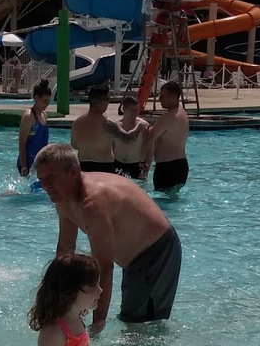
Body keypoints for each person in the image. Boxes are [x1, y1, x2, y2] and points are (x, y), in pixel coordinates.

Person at [34, 142, 182, 331]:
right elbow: (65, 250)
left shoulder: (92, 203)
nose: (46, 186)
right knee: (133, 322)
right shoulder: (64, 197)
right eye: (42, 179)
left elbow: (104, 267)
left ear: (72, 171)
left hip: (157, 253)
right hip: (134, 260)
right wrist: (55, 304)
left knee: (140, 328)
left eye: (51, 178)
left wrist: (97, 325)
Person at [143, 80, 190, 191]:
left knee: (162, 204)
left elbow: (149, 142)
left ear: (173, 96)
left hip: (167, 168)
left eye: (163, 96)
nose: (159, 99)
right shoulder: (182, 113)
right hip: (181, 165)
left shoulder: (167, 118)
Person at [70, 84, 117, 172]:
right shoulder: (108, 123)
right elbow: (120, 146)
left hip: (84, 167)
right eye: (108, 99)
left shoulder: (77, 123)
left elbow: (74, 146)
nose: (109, 103)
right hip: (105, 168)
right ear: (102, 101)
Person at [17, 79, 51, 179]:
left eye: (48, 101)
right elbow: (22, 144)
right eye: (44, 101)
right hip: (28, 163)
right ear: (36, 98)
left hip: (40, 163)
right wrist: (24, 166)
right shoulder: (29, 116)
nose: (47, 104)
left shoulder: (44, 115)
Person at [113, 93, 150, 179]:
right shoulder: (116, 126)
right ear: (124, 109)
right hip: (118, 164)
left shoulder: (144, 126)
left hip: (136, 166)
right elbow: (110, 148)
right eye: (133, 110)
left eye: (137, 110)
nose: (136, 113)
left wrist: (146, 170)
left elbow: (150, 148)